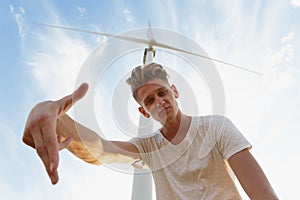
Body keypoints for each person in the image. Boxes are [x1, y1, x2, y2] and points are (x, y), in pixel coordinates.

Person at [23, 63, 278, 199]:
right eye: (149, 101)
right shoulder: (148, 148)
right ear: (144, 112)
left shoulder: (216, 127)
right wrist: (55, 118)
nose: (159, 102)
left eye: (162, 93)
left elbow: (262, 194)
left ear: (174, 92)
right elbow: (102, 149)